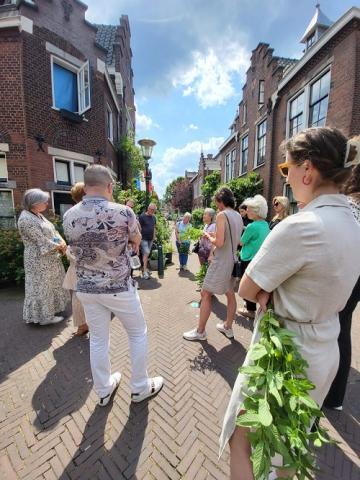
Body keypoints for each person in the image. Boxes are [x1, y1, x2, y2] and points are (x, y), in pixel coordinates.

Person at [220, 127, 360, 480]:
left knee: (245, 441)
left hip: (285, 353)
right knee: (289, 447)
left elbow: (248, 290)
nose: (288, 176)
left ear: (307, 170)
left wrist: (268, 291)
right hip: (325, 346)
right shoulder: (354, 222)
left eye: (287, 168)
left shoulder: (303, 225)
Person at [63, 165, 163, 407]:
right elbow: (137, 239)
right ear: (109, 186)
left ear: (85, 187)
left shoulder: (69, 215)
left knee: (98, 339)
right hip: (118, 287)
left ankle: (103, 389)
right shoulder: (123, 212)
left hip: (86, 288)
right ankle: (139, 387)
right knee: (137, 333)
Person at [183, 188, 243, 341]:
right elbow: (234, 240)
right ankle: (228, 327)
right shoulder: (237, 215)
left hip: (221, 262)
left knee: (205, 293)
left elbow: (220, 242)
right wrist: (214, 236)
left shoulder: (222, 215)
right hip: (233, 261)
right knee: (230, 294)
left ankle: (200, 331)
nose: (217, 207)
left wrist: (209, 237)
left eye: (217, 203)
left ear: (221, 201)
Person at [324, 160, 360, 410]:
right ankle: (336, 398)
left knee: (328, 329)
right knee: (343, 329)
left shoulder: (347, 204)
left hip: (344, 269)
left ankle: (324, 391)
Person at [17, 189, 69, 325]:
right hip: (38, 259)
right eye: (44, 201)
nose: (47, 203)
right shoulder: (26, 219)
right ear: (34, 203)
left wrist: (61, 241)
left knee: (51, 284)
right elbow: (41, 241)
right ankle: (45, 317)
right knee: (41, 287)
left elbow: (53, 231)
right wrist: (61, 246)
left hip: (48, 258)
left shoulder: (37, 215)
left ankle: (52, 310)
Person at [237, 195, 270, 319]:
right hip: (259, 258)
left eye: (249, 208)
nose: (247, 210)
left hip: (248, 258)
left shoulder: (252, 226)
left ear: (256, 210)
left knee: (247, 285)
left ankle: (250, 310)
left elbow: (241, 242)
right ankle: (251, 306)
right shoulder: (265, 224)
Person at [62, 183, 88, 336]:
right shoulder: (94, 211)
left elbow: (70, 237)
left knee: (78, 293)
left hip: (76, 256)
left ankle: (82, 324)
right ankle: (84, 325)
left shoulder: (68, 214)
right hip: (89, 258)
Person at [138, 203, 157, 279]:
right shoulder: (142, 216)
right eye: (151, 209)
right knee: (146, 252)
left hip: (150, 239)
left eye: (154, 210)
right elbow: (138, 228)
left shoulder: (154, 217)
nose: (152, 211)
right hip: (143, 239)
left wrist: (154, 236)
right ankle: (145, 272)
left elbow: (154, 227)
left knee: (146, 254)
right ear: (148, 208)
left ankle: (144, 268)